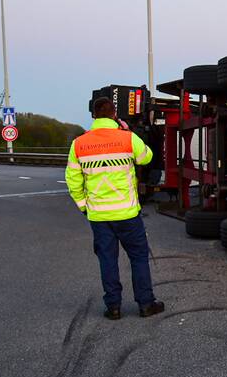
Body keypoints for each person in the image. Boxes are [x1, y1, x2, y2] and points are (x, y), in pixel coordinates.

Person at [65, 97, 164, 320]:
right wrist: (129, 132)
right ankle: (146, 304)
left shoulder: (79, 144)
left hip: (99, 216)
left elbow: (72, 181)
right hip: (127, 213)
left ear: (93, 116)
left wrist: (84, 207)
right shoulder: (127, 138)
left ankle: (114, 307)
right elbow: (146, 158)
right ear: (114, 115)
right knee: (138, 257)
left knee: (107, 260)